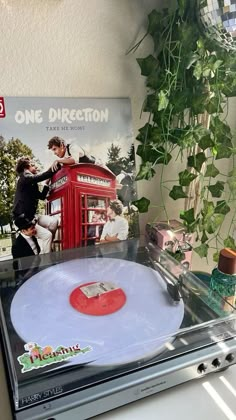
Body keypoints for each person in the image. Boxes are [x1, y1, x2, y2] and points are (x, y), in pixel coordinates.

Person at [12, 157, 60, 254]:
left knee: (54, 221)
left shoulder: (30, 183)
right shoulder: (24, 176)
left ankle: (49, 246)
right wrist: (57, 164)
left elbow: (41, 196)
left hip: (32, 216)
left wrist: (46, 184)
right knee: (47, 236)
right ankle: (47, 261)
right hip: (24, 219)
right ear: (26, 167)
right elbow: (42, 176)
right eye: (33, 165)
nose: (36, 167)